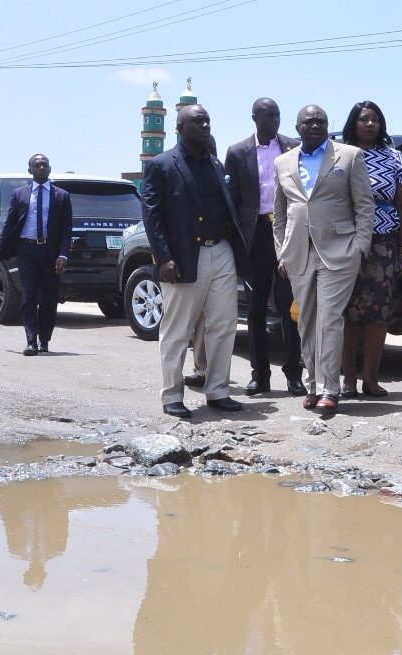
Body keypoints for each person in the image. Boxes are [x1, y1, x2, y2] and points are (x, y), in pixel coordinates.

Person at [141, 104, 250, 418]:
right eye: (197, 122)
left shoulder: (215, 163)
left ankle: (217, 390)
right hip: (185, 257)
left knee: (223, 325)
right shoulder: (161, 165)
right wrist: (163, 257)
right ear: (179, 127)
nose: (204, 126)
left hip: (222, 252)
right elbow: (152, 215)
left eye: (207, 121)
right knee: (177, 330)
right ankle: (172, 395)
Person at [273, 105, 374, 414]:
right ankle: (313, 385)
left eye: (321, 121)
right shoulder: (282, 162)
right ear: (297, 127)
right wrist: (281, 250)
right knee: (306, 320)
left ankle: (331, 388)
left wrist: (360, 247)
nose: (315, 124)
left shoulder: (349, 155)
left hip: (340, 251)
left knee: (330, 319)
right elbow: (279, 214)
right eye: (309, 121)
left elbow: (364, 205)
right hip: (298, 253)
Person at [224, 97, 305, 396]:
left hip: (287, 232)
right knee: (256, 308)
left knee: (289, 307)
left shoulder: (293, 147)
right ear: (254, 117)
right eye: (268, 115)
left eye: (277, 115)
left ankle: (294, 374)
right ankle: (260, 375)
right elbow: (232, 199)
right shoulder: (237, 152)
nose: (274, 120)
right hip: (256, 234)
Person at [337, 101, 402, 398]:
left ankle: (370, 378)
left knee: (377, 313)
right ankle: (347, 380)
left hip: (384, 243)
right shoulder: (339, 155)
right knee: (345, 312)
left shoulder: (394, 157)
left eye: (375, 120)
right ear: (353, 124)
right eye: (363, 119)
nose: (370, 125)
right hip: (345, 241)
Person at [0, 154, 72, 356]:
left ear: (50, 169)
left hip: (51, 252)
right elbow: (9, 224)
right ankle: (31, 341)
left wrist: (63, 255)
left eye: (44, 164)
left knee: (49, 297)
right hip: (27, 250)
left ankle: (44, 339)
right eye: (37, 165)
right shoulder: (20, 194)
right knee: (29, 295)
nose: (41, 167)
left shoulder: (61, 196)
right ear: (30, 171)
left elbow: (66, 229)